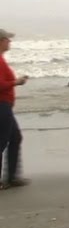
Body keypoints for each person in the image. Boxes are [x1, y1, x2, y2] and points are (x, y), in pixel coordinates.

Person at [0, 28, 29, 190]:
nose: (10, 42)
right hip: (1, 106)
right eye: (7, 39)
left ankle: (11, 177)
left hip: (6, 106)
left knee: (15, 138)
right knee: (1, 142)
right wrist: (15, 82)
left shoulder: (1, 60)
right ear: (0, 41)